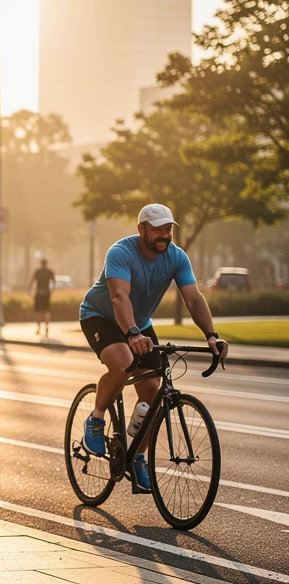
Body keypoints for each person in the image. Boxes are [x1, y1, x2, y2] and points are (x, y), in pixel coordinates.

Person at [78, 203, 229, 492]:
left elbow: (194, 300)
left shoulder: (176, 257)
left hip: (140, 322)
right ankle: (96, 418)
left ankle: (136, 455)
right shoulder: (120, 252)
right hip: (101, 316)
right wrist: (132, 334)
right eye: (158, 229)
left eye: (168, 229)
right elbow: (119, 297)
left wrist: (211, 335)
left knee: (151, 390)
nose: (164, 234)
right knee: (123, 367)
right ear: (141, 229)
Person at [29, 258, 55, 338]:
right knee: (46, 311)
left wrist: (30, 290)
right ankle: (46, 328)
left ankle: (39, 328)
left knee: (38, 311)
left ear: (41, 264)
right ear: (46, 264)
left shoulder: (38, 271)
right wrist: (51, 292)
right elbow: (54, 282)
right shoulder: (50, 272)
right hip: (46, 294)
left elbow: (32, 281)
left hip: (39, 293)